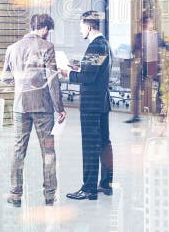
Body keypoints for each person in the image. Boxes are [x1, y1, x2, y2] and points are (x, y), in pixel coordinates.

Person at [1, 13, 66, 208]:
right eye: (49, 31)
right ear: (44, 28)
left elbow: (5, 78)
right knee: (48, 151)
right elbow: (53, 80)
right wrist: (60, 108)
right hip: (43, 109)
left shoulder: (12, 48)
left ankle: (15, 194)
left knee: (18, 151)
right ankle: (49, 195)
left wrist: (22, 84)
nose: (49, 35)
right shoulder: (47, 47)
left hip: (20, 107)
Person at [60, 11, 114, 200]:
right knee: (104, 143)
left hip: (91, 104)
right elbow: (94, 71)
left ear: (89, 27)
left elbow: (88, 78)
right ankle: (106, 184)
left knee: (91, 145)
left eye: (81, 26)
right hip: (102, 102)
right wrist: (78, 68)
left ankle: (89, 189)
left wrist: (68, 74)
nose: (80, 30)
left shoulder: (95, 46)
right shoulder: (104, 44)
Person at [126, 15, 169, 123]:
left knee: (160, 91)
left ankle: (162, 115)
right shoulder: (139, 36)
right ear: (145, 24)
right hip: (144, 66)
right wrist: (135, 57)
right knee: (136, 89)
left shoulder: (155, 36)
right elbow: (134, 51)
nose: (152, 24)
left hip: (154, 66)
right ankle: (136, 116)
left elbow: (166, 45)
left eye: (151, 23)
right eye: (150, 23)